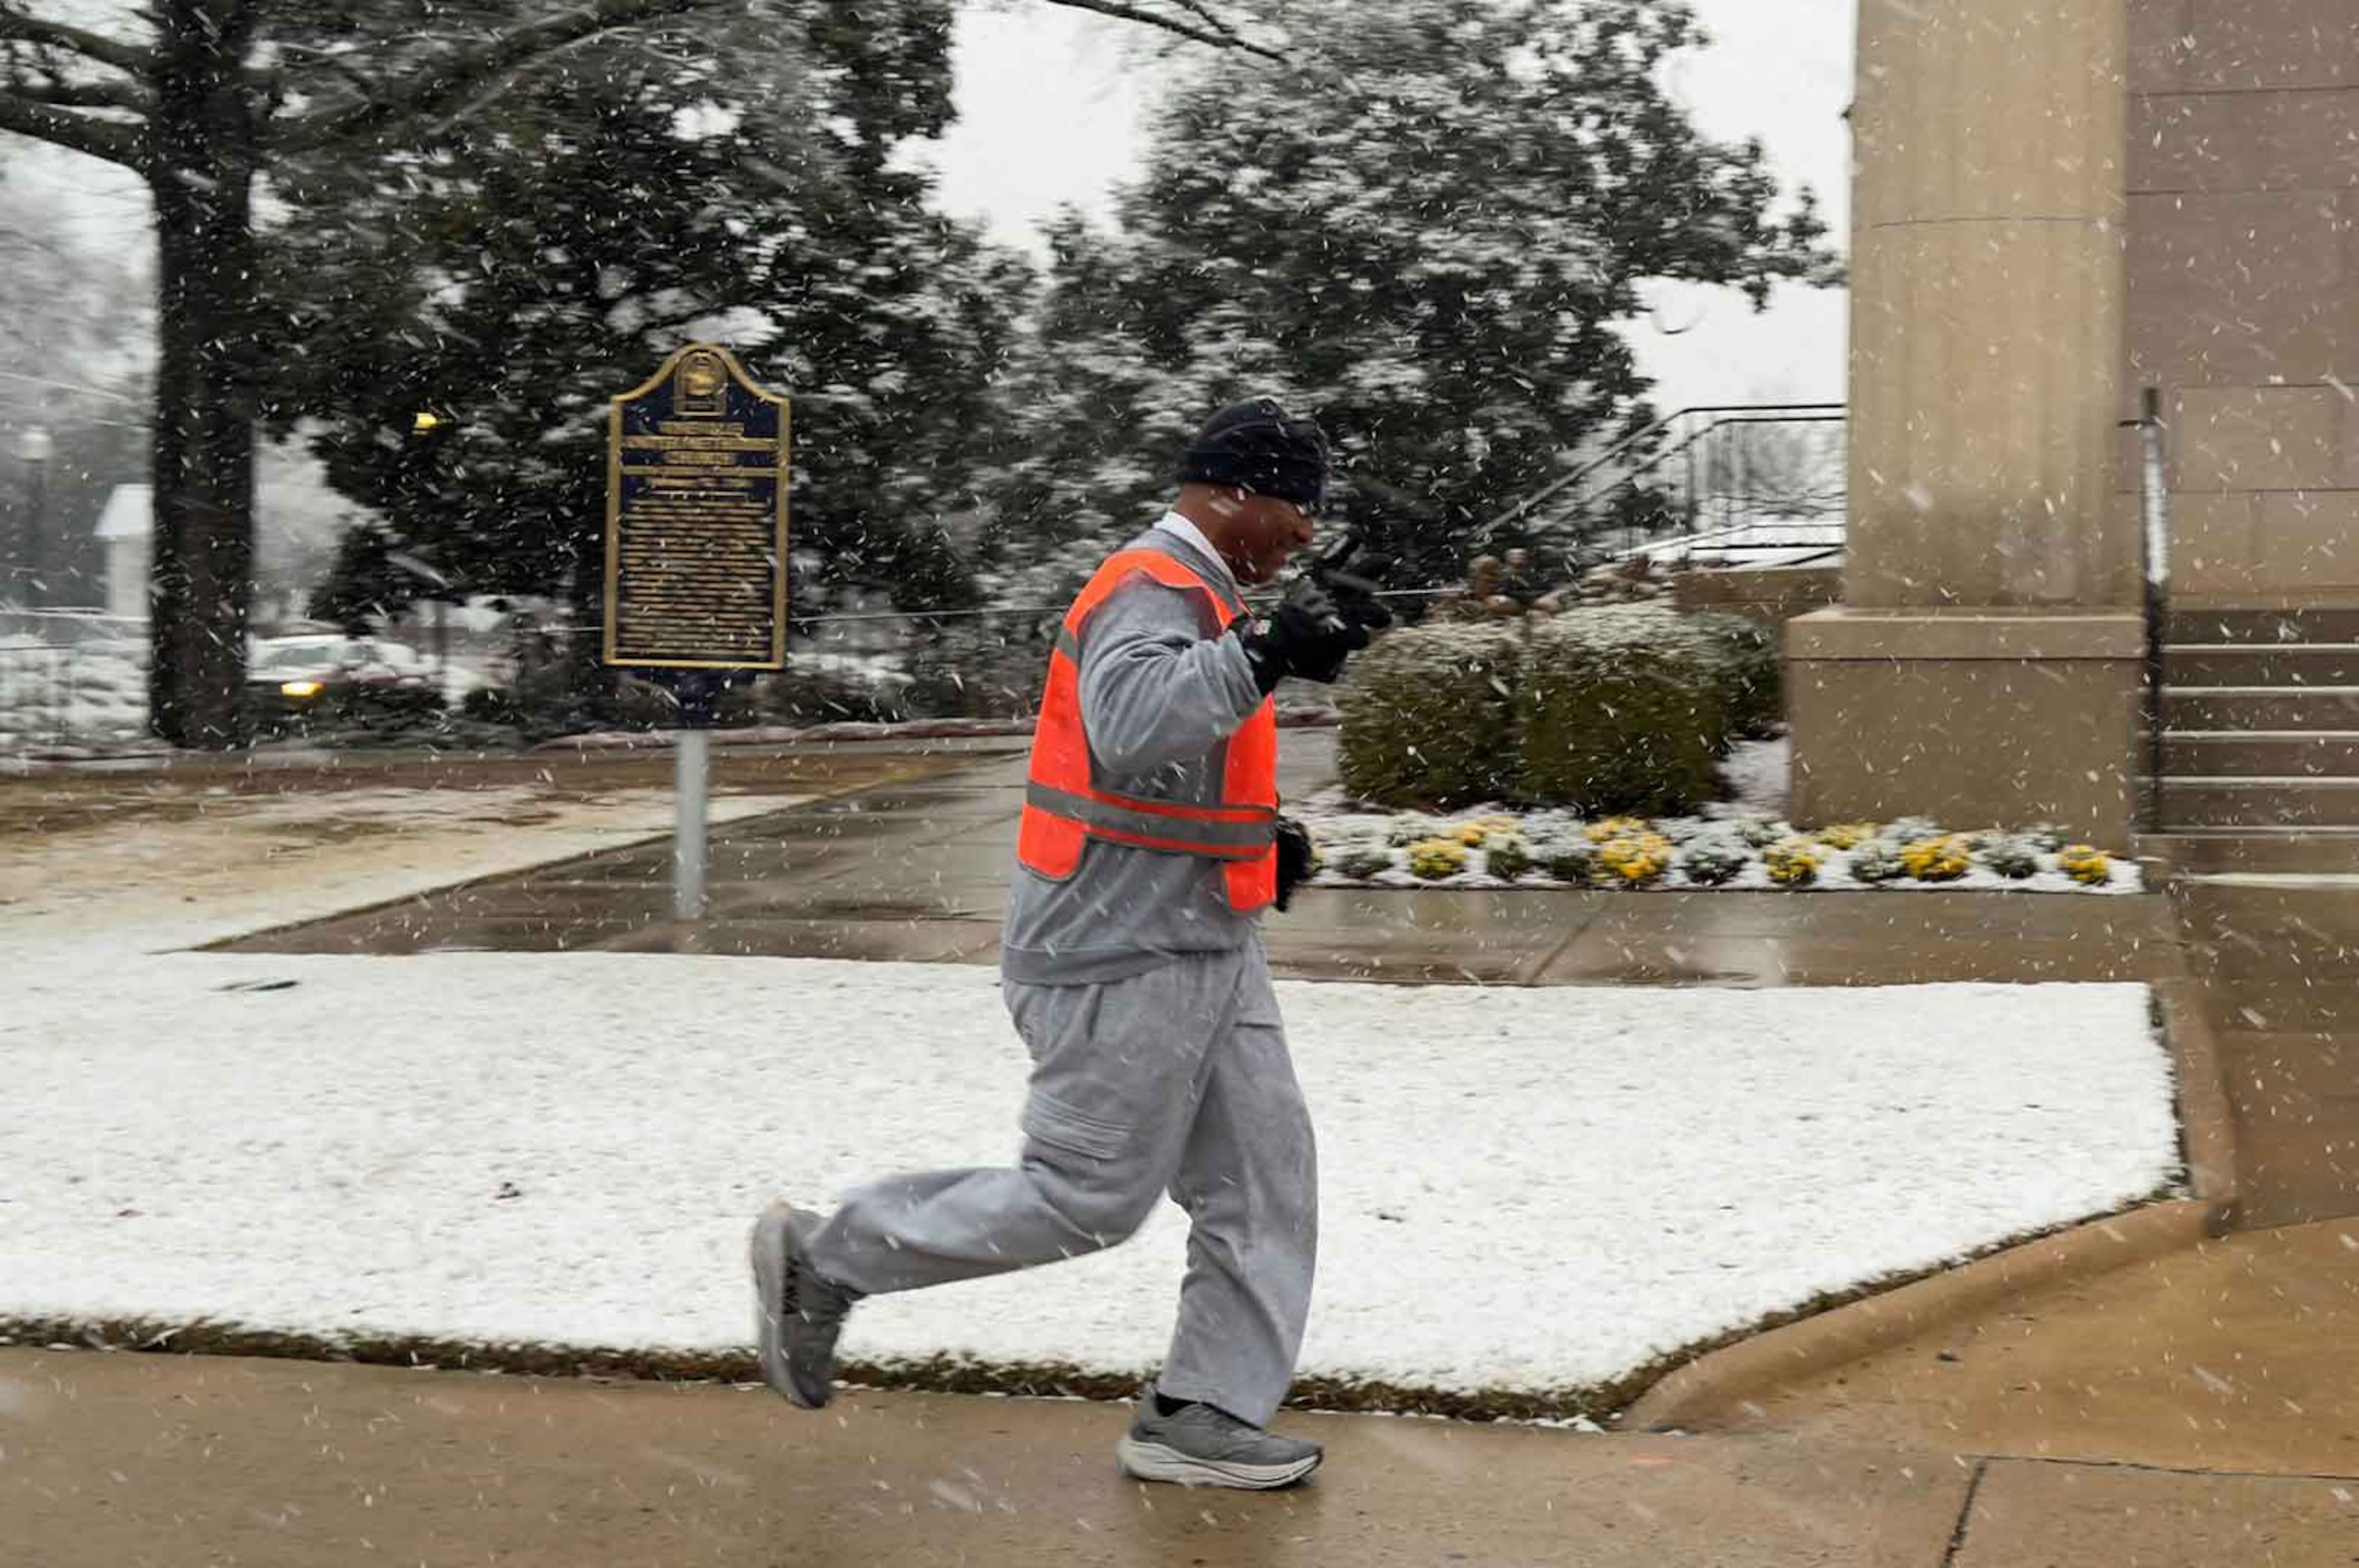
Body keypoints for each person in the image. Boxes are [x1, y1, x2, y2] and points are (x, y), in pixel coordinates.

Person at [750, 397, 1391, 1490]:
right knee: (1084, 1199)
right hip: (1117, 953)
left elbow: (1159, 775)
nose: (1305, 533)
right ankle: (828, 1254)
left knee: (1266, 1181)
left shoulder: (1207, 594)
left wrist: (1255, 843)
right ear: (1234, 491)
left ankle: (1203, 1409)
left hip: (1199, 939)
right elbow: (1134, 727)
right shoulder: (1152, 585)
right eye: (1296, 507)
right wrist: (1271, 651)